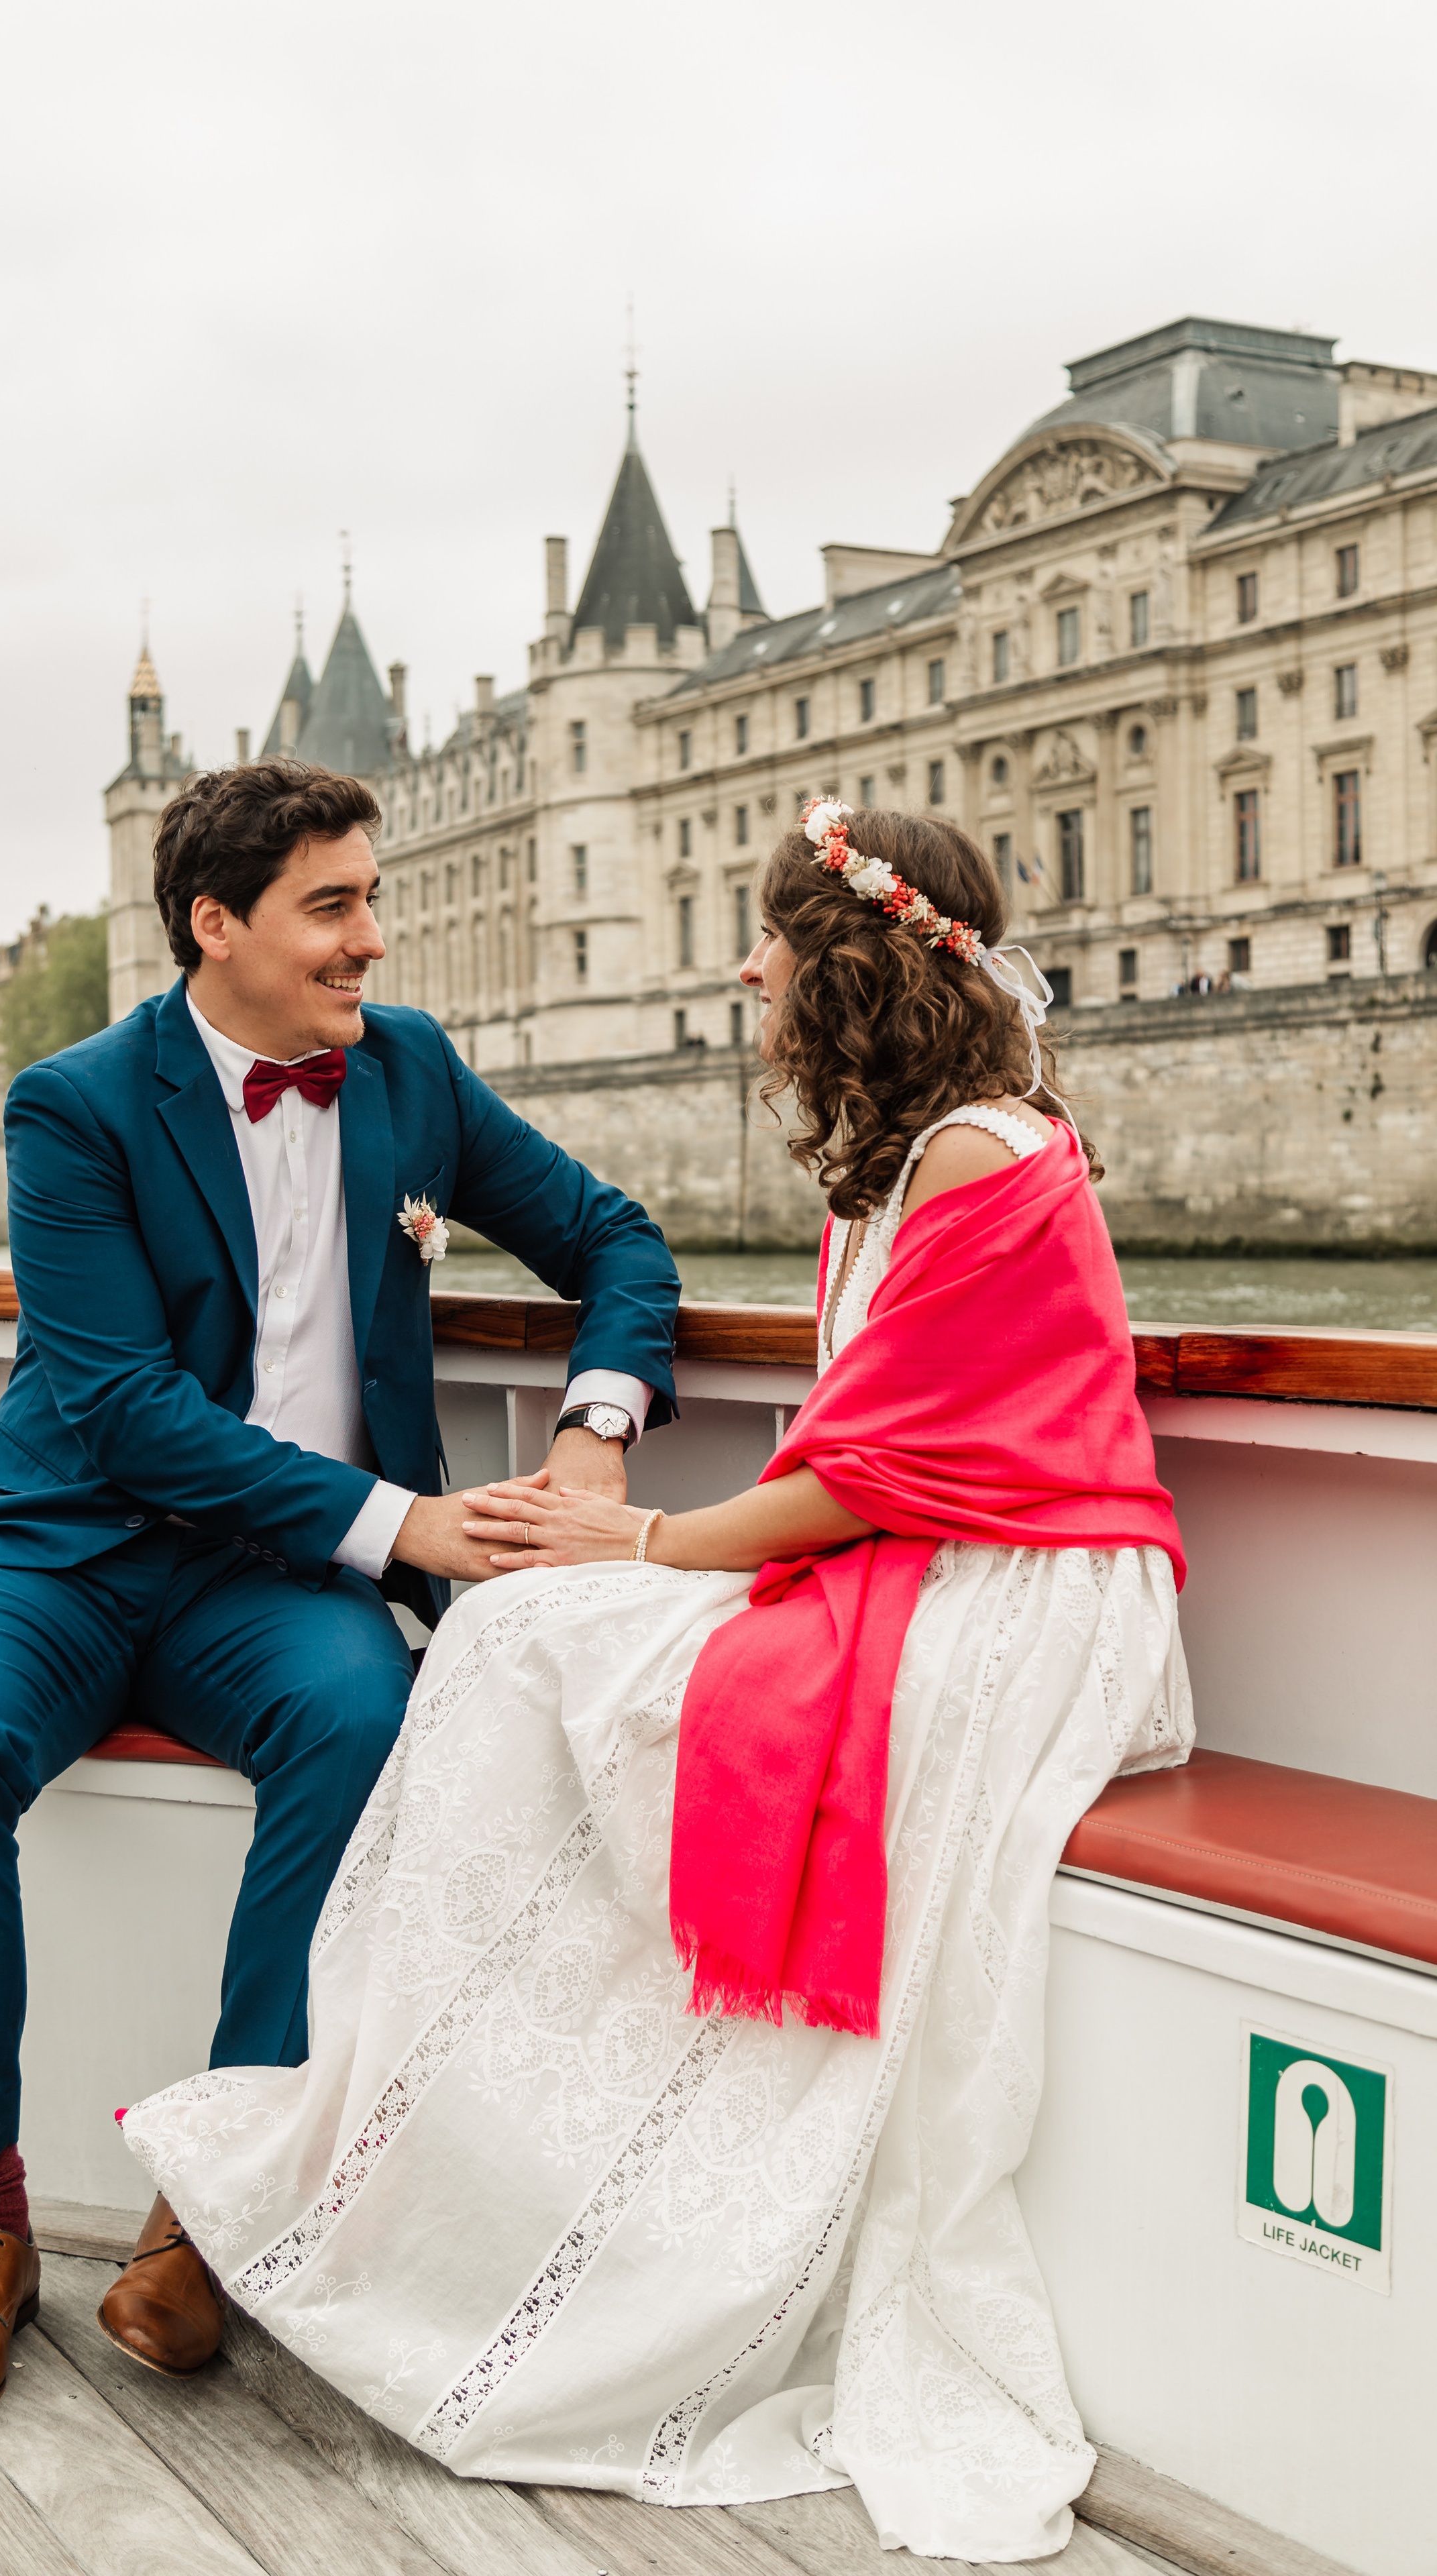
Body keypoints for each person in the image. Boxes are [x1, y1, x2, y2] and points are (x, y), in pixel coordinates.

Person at [123, 802, 1193, 2564]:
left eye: (772, 940)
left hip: (1015, 1594)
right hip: (949, 1559)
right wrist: (621, 1533)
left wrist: (631, 1539)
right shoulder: (931, 1153)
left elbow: (876, 1477)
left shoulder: (973, 1163)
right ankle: (423, 2165)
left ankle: (452, 2180)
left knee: (543, 1633)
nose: (749, 967)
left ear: (843, 966)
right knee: (528, 1636)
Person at [0, 758, 682, 2432]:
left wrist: (594, 1435)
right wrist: (409, 1527)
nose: (372, 938)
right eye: (335, 905)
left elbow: (618, 1244)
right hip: (59, 1542)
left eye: (371, 898)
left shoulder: (413, 1076)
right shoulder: (75, 1104)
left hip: (274, 1575)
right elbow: (122, 1410)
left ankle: (213, 2214)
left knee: (362, 1726)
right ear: (215, 926)